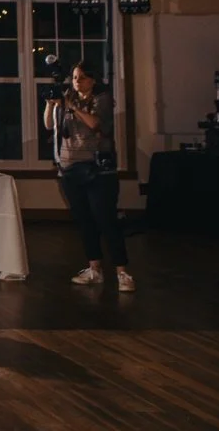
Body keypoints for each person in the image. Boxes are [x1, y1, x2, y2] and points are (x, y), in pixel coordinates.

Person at [45, 61, 134, 292]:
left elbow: (97, 124)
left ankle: (122, 272)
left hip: (97, 169)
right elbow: (48, 125)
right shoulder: (67, 99)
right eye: (75, 77)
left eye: (83, 77)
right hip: (69, 168)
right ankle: (94, 269)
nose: (77, 81)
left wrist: (71, 107)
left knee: (106, 219)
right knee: (84, 221)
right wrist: (51, 105)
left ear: (93, 80)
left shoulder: (101, 99)